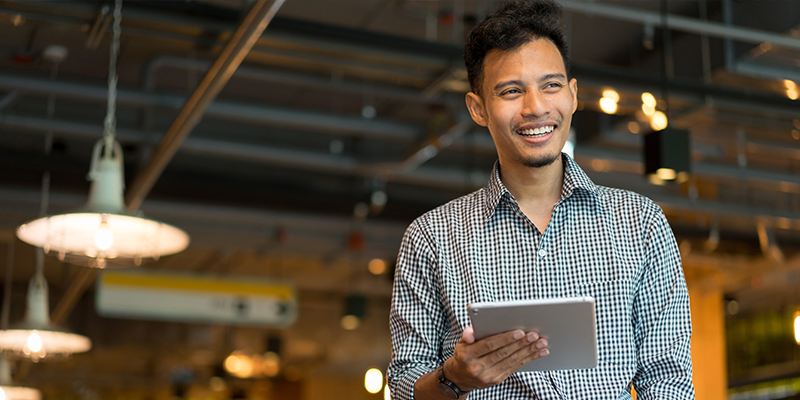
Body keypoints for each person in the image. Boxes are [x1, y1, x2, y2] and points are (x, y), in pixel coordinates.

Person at [387, 1, 695, 399]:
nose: (535, 107)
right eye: (511, 91)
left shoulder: (640, 223)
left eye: (550, 85)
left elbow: (668, 381)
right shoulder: (431, 238)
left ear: (573, 93)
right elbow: (402, 387)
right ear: (478, 109)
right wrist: (454, 377)